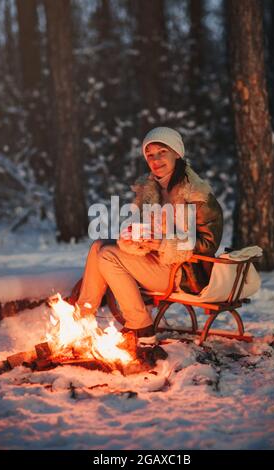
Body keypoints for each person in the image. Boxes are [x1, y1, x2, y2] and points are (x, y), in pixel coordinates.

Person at [75, 127, 223, 364]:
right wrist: (134, 238)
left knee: (107, 256)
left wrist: (166, 243)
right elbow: (138, 228)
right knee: (99, 245)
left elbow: (208, 244)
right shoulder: (150, 189)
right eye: (150, 155)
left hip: (184, 272)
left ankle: (142, 328)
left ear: (177, 153)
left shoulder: (197, 193)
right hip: (155, 262)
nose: (156, 160)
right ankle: (81, 320)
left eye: (162, 152)